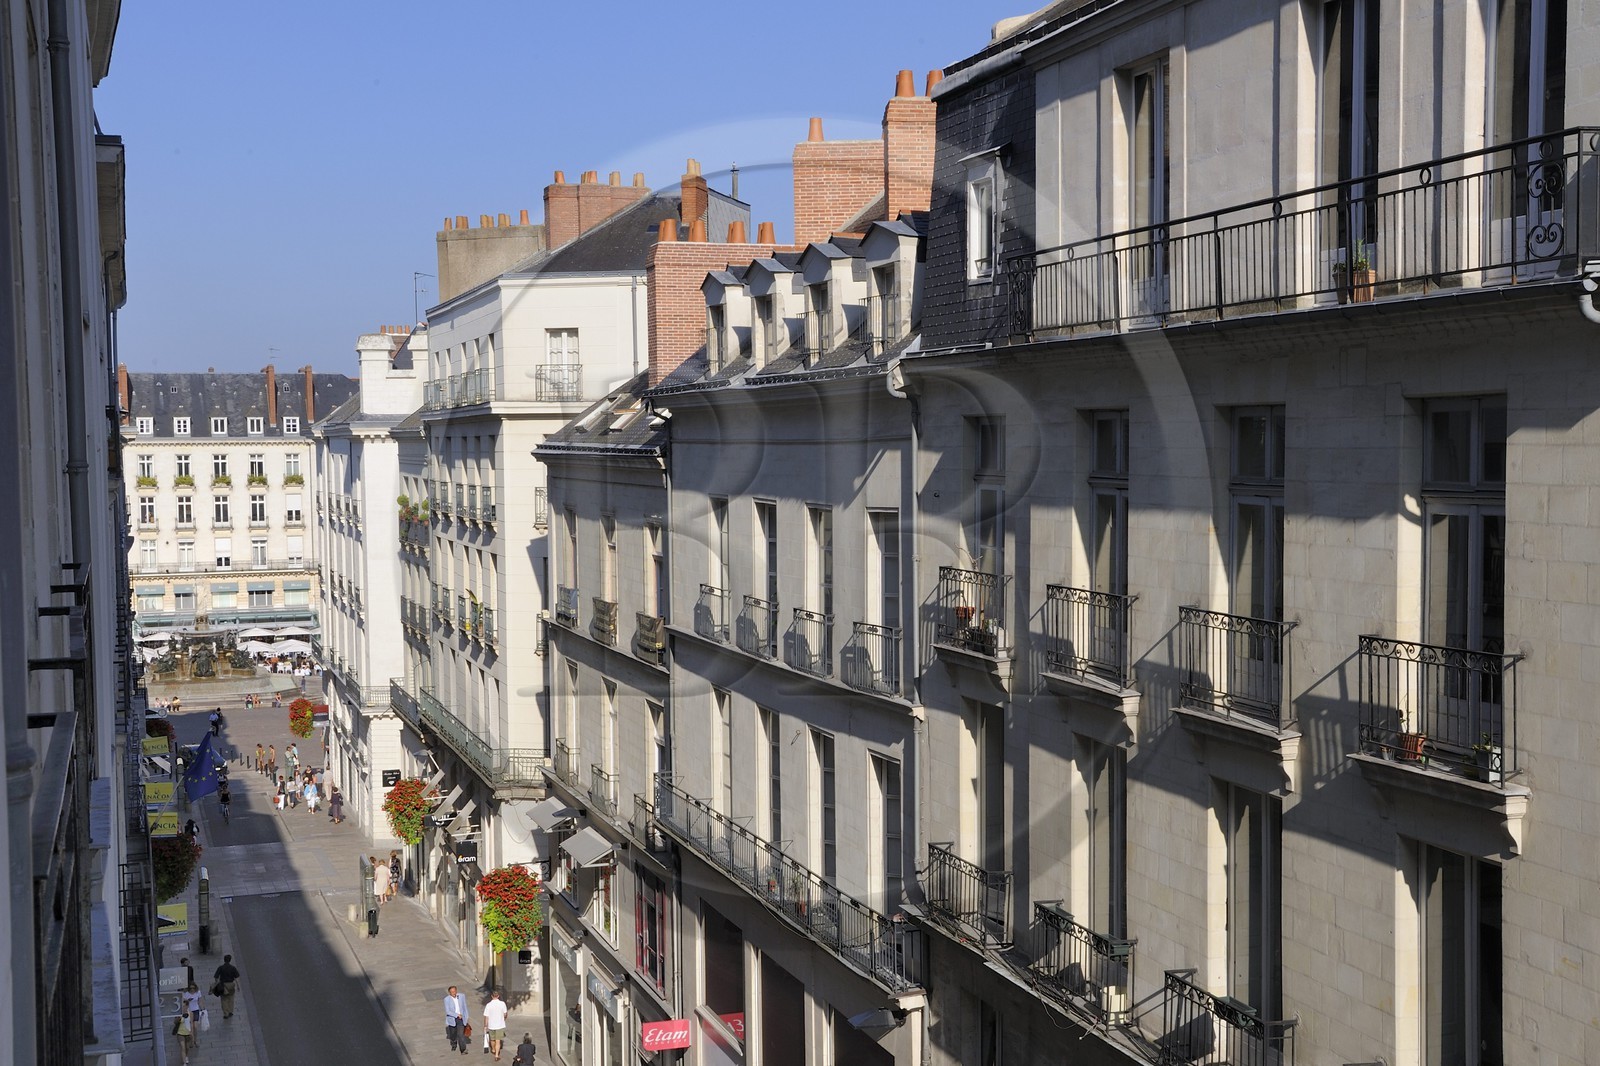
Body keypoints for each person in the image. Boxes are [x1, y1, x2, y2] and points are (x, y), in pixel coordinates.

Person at [483, 989, 509, 1061]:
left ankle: (493, 1049)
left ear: (492, 996)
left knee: (492, 1039)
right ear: (498, 996)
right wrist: (503, 1019)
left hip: (491, 1025)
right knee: (498, 1041)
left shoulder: (488, 1005)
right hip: (500, 1025)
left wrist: (485, 1025)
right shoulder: (502, 1004)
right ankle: (497, 1055)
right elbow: (505, 1014)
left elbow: (486, 1016)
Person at [212, 954, 241, 1019]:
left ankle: (226, 1013)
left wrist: (217, 983)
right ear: (230, 960)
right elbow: (236, 977)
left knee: (224, 999)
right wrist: (238, 986)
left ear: (224, 960)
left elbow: (216, 977)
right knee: (231, 998)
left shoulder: (220, 967)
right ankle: (230, 1011)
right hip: (231, 985)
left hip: (223, 985)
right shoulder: (233, 968)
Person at [443, 985, 469, 1054]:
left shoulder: (462, 996)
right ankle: (454, 1044)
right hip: (452, 1019)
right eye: (452, 992)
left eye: (454, 991)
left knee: (461, 1035)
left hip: (461, 1019)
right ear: (449, 993)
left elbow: (464, 1006)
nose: (453, 993)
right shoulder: (446, 999)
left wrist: (466, 1017)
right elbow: (448, 1011)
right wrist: (457, 1015)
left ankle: (463, 1050)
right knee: (453, 1034)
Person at [180, 982, 204, 1048]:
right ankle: (192, 1041)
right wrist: (187, 1000)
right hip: (189, 1011)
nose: (192, 989)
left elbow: (200, 1001)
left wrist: (202, 1009)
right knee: (190, 1027)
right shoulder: (186, 994)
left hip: (196, 1010)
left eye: (193, 988)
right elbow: (184, 1003)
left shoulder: (198, 992)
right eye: (190, 988)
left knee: (195, 1027)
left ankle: (195, 1040)